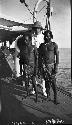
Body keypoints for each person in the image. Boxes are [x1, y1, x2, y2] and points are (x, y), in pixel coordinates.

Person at [38, 30, 59, 104]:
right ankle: (48, 97)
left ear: (51, 36)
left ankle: (56, 98)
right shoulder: (41, 45)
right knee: (46, 82)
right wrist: (40, 67)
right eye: (45, 36)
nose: (47, 37)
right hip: (44, 66)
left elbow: (57, 56)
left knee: (53, 82)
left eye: (48, 36)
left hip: (52, 66)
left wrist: (56, 66)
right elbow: (40, 57)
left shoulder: (54, 45)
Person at [19, 34, 38, 102]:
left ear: (30, 40)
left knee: (34, 82)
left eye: (26, 40)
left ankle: (37, 97)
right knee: (26, 82)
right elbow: (21, 60)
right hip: (25, 67)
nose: (25, 41)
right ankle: (27, 94)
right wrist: (21, 69)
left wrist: (36, 69)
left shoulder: (34, 47)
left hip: (32, 67)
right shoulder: (22, 48)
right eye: (24, 40)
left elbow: (37, 59)